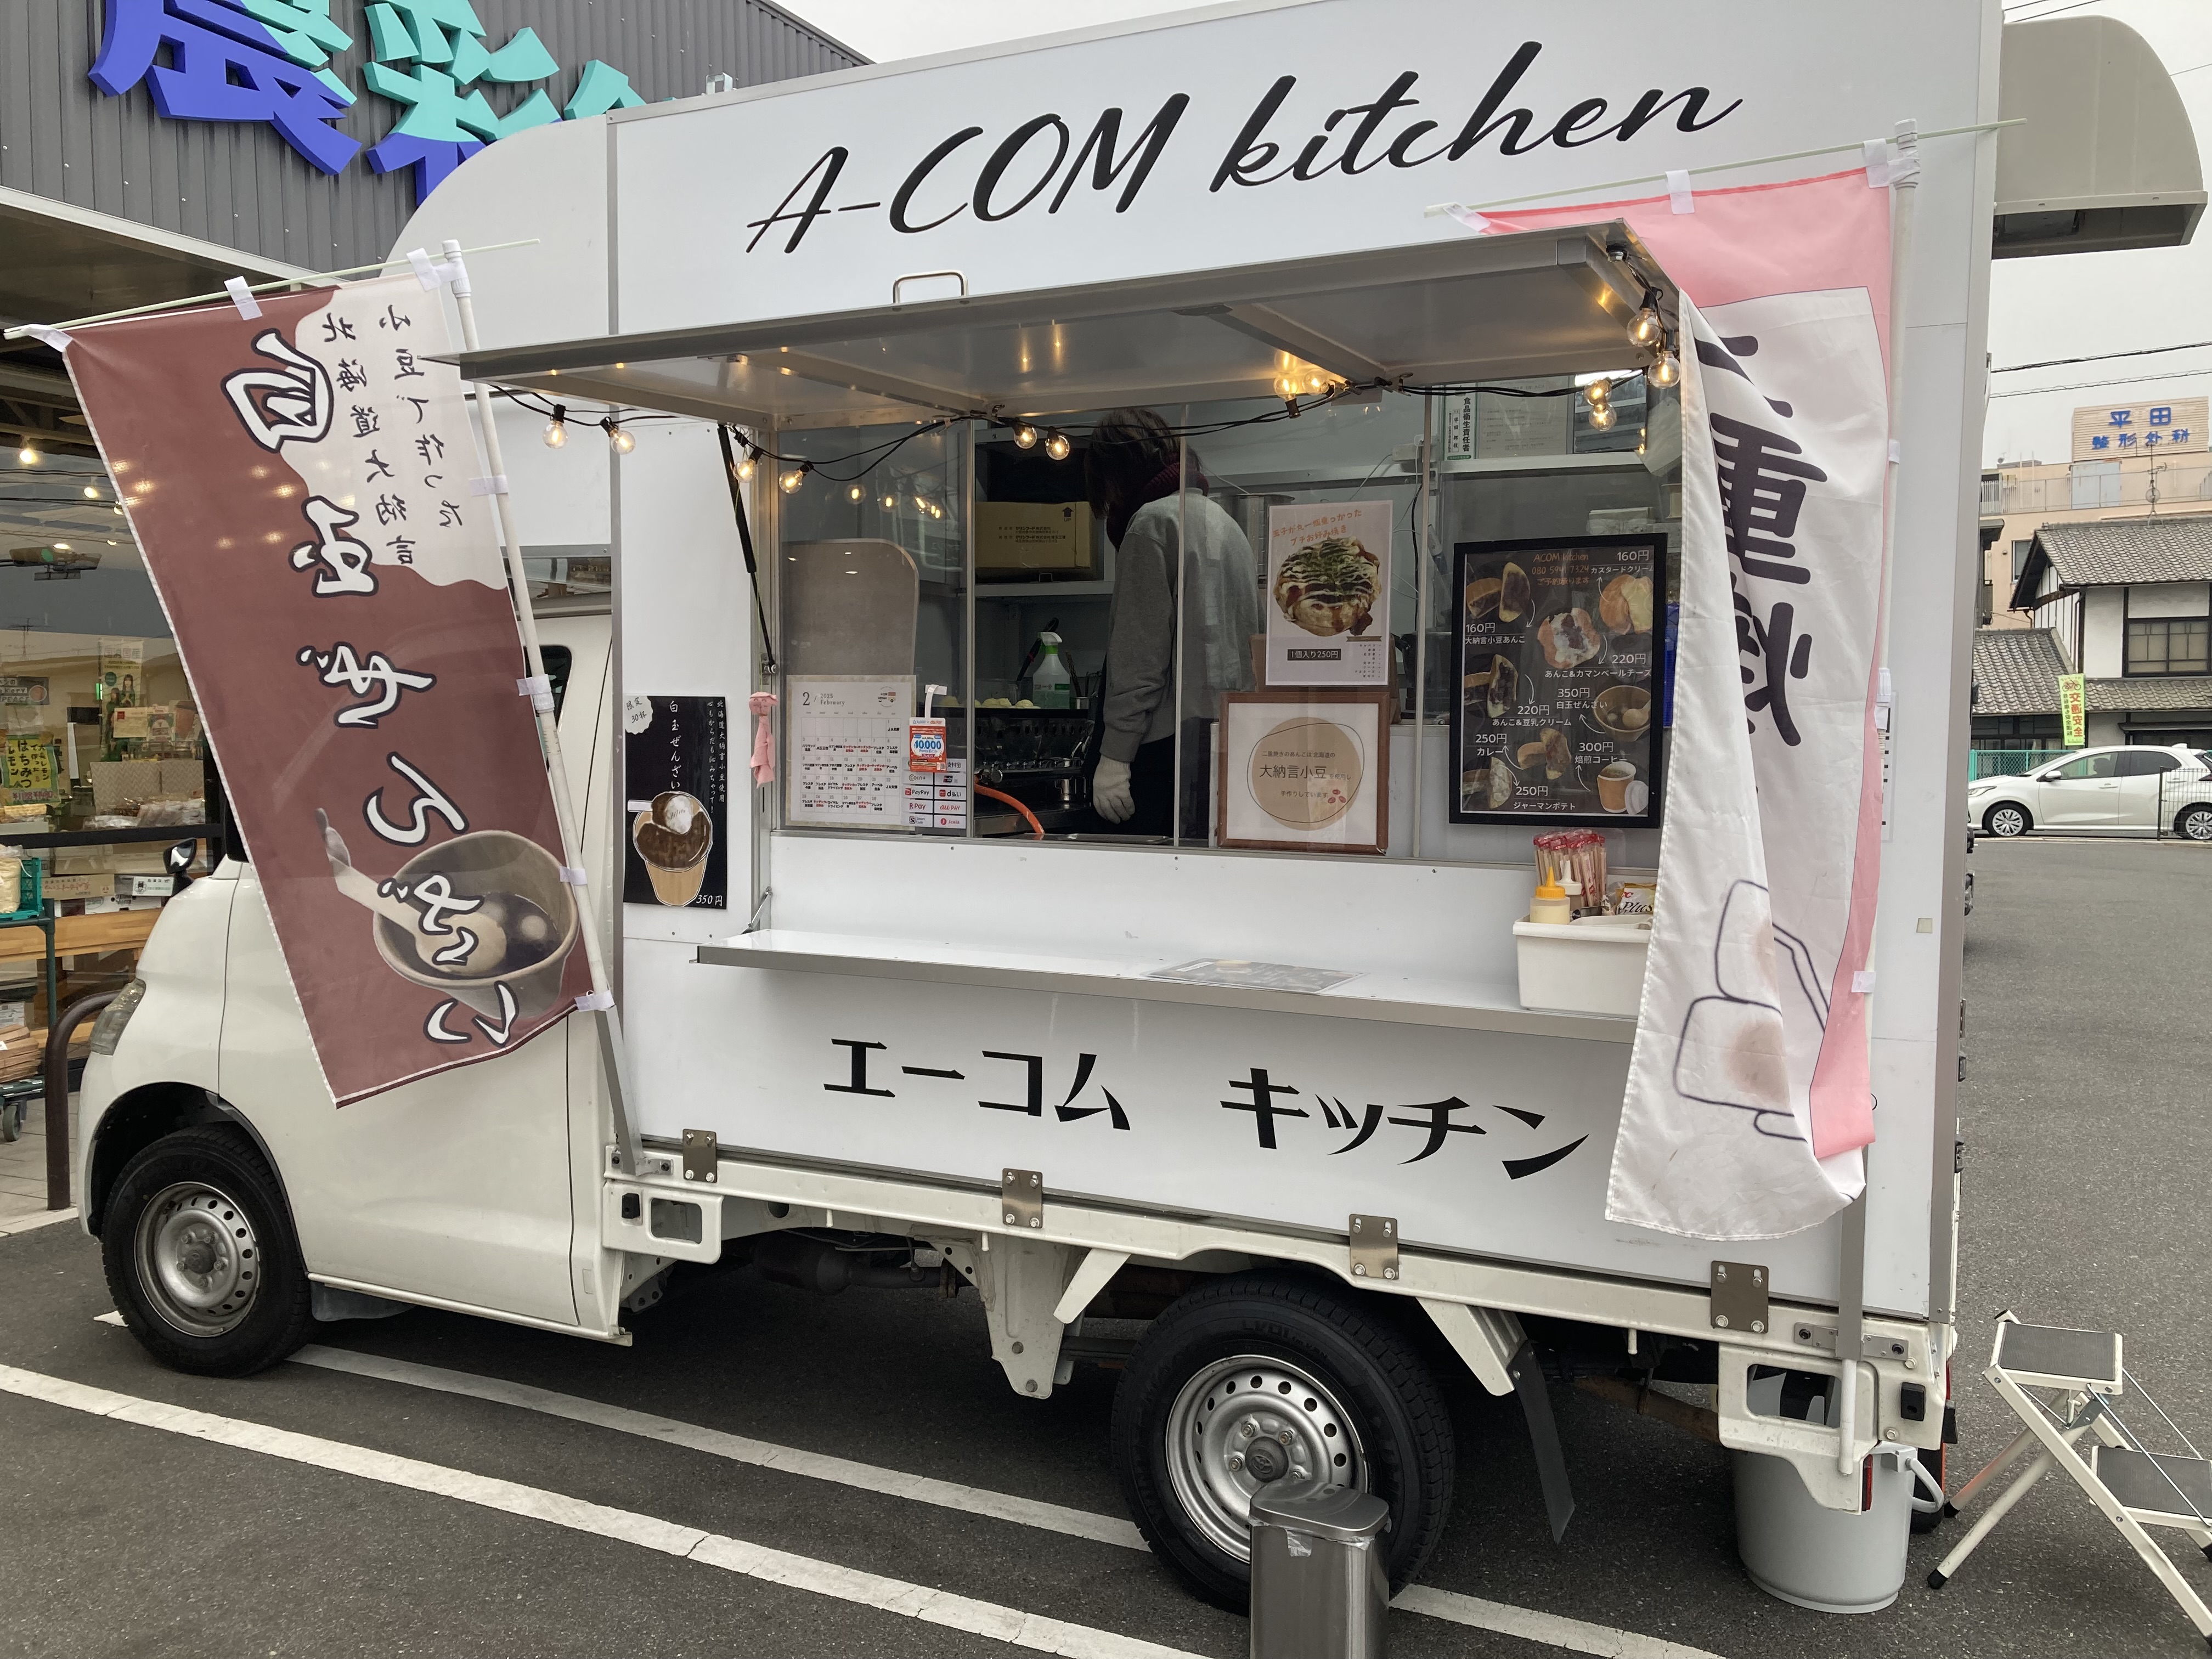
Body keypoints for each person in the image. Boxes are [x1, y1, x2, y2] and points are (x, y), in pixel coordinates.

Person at [1083, 408, 1256, 838]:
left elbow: (1140, 654)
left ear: (1115, 473)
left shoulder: (1152, 524)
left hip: (1159, 751)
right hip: (1224, 739)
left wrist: (1114, 758)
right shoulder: (1226, 524)